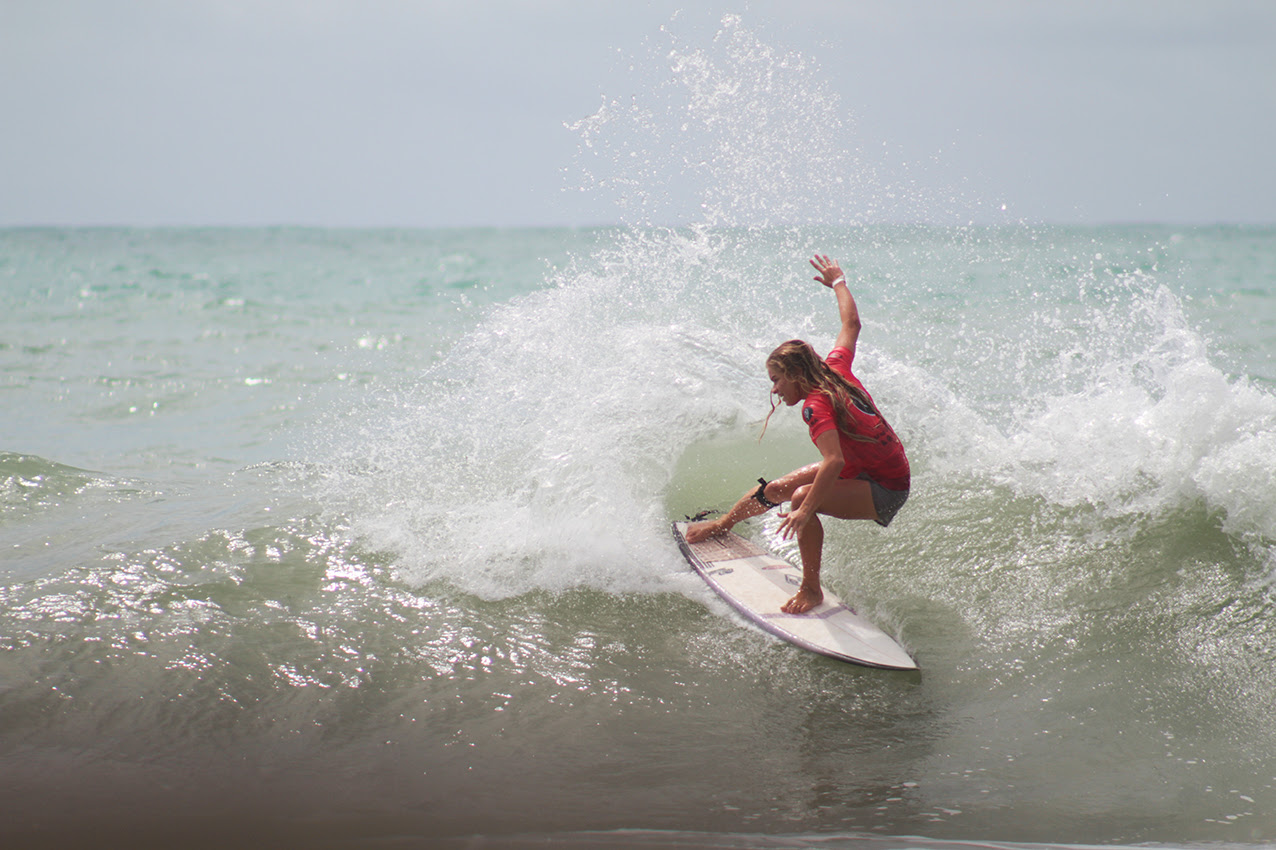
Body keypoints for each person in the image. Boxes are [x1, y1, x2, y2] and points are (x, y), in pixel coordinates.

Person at [685, 254, 910, 615]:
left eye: (776, 380)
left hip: (887, 488)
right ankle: (724, 524)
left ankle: (811, 589)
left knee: (802, 496)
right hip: (865, 468)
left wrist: (804, 511)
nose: (775, 390)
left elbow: (833, 460)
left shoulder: (815, 406)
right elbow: (851, 324)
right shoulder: (835, 368)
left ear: (794, 375)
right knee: (775, 490)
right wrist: (838, 281)